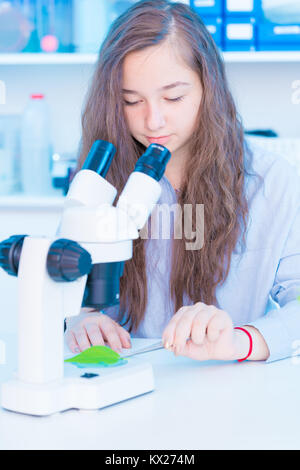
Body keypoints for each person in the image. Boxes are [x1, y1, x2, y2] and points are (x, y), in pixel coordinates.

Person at [65, 0, 300, 363]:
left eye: (173, 97)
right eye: (131, 101)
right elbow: (67, 285)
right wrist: (81, 319)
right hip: (126, 382)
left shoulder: (271, 181)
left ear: (209, 88)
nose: (153, 120)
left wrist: (242, 340)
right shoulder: (100, 177)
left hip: (230, 388)